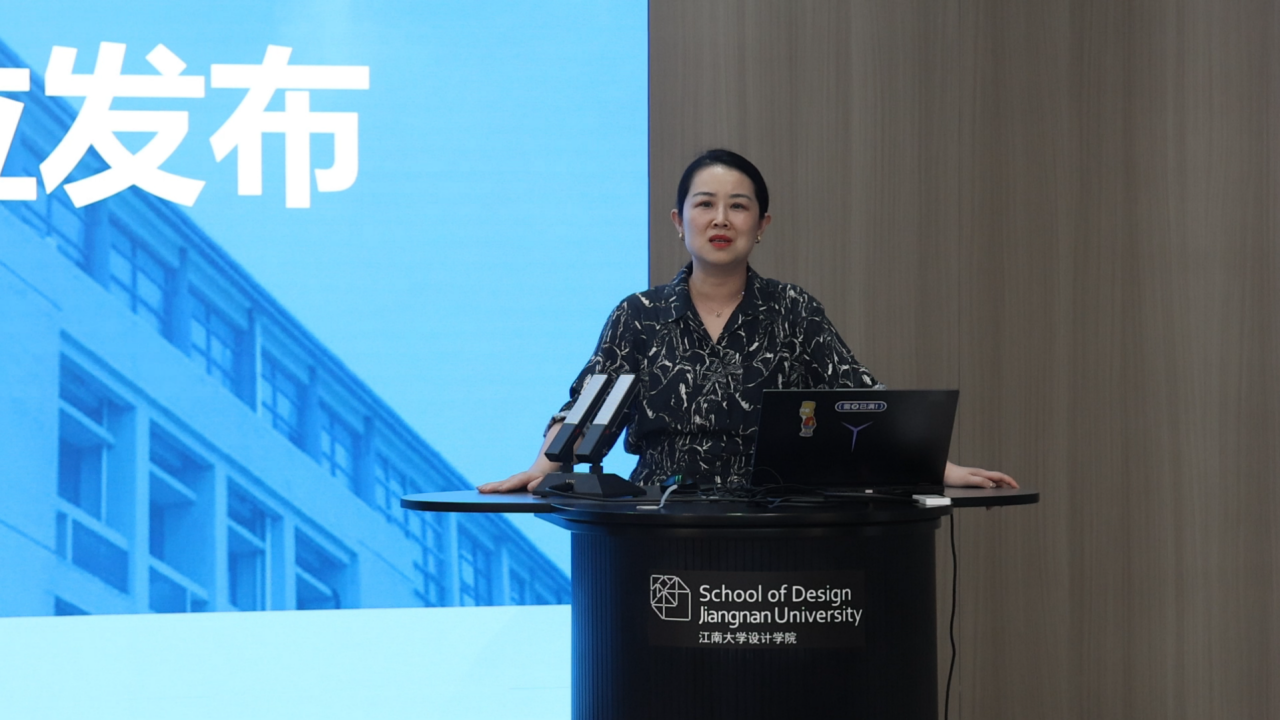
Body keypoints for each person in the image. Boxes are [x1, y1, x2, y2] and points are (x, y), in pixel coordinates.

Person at [479, 149, 1016, 493]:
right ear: (679, 221)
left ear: (761, 224)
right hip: (654, 521)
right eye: (704, 204)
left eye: (738, 206)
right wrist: (541, 469)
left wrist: (936, 466)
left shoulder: (794, 311)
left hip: (775, 521)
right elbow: (585, 410)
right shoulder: (638, 315)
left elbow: (862, 401)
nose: (720, 219)